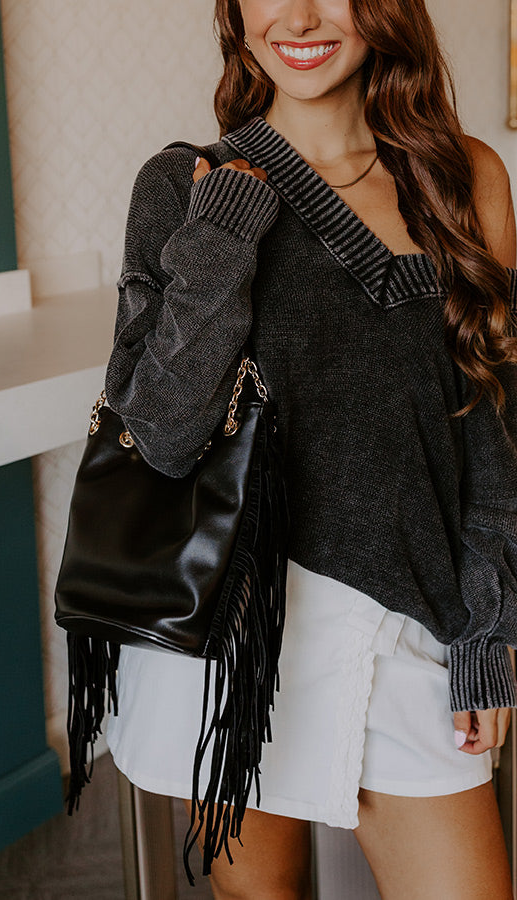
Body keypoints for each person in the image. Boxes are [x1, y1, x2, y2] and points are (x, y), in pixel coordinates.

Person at [103, 1, 517, 897]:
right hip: (232, 628)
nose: (297, 16)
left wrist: (489, 634)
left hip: (410, 616)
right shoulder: (184, 182)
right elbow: (162, 434)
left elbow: (494, 427)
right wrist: (224, 233)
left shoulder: (465, 178)